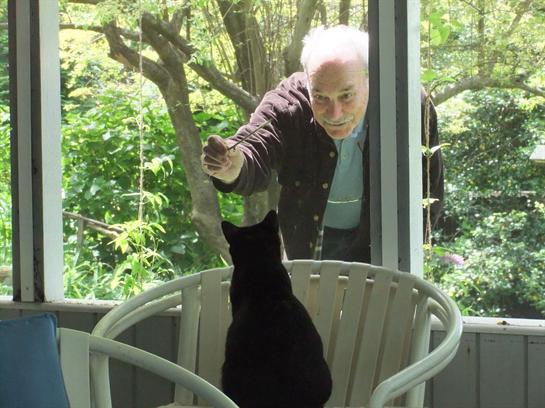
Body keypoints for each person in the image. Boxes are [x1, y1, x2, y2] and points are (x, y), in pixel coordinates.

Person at [201, 25, 443, 262]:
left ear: (369, 80)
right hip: (308, 242)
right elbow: (256, 144)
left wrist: (409, 254)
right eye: (320, 97)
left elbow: (429, 189)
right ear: (307, 83)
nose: (335, 113)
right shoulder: (289, 103)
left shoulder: (408, 105)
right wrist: (234, 165)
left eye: (346, 95)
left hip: (382, 244)